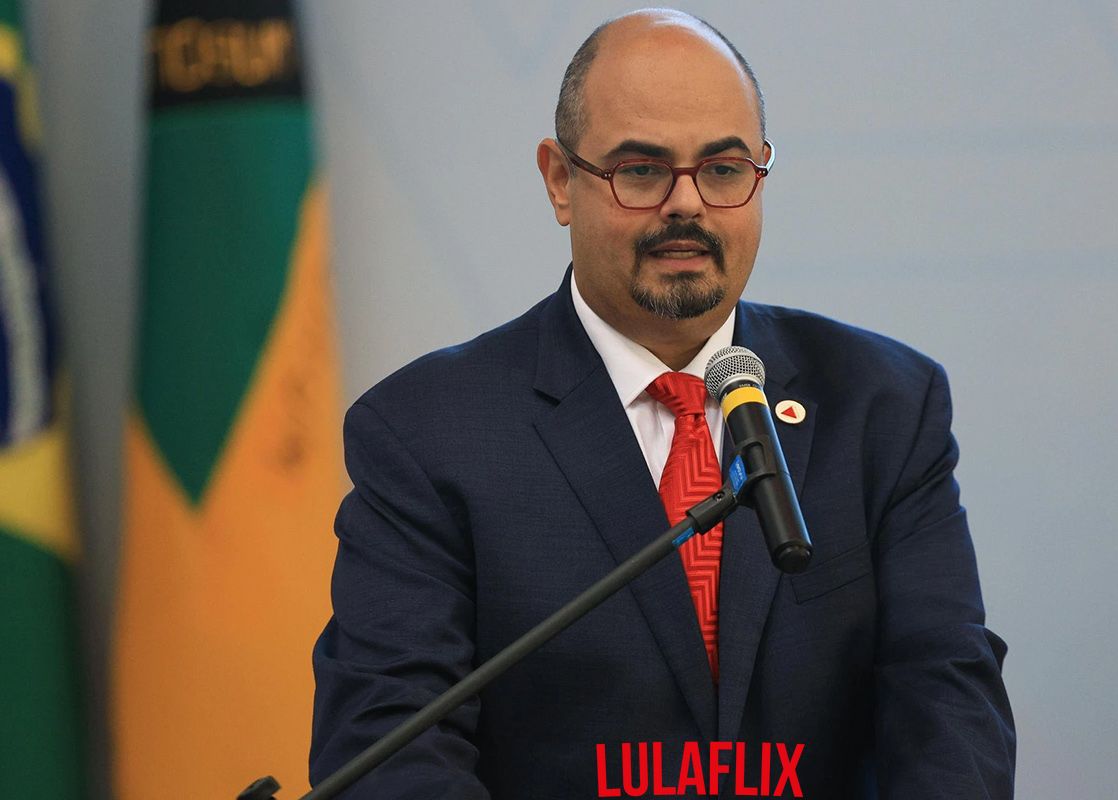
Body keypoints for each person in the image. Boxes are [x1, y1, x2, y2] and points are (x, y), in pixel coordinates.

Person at [310, 9, 1014, 798]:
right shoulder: (429, 434)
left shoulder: (883, 407)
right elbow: (391, 747)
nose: (688, 205)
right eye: (642, 170)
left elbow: (946, 703)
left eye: (723, 169)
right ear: (560, 180)